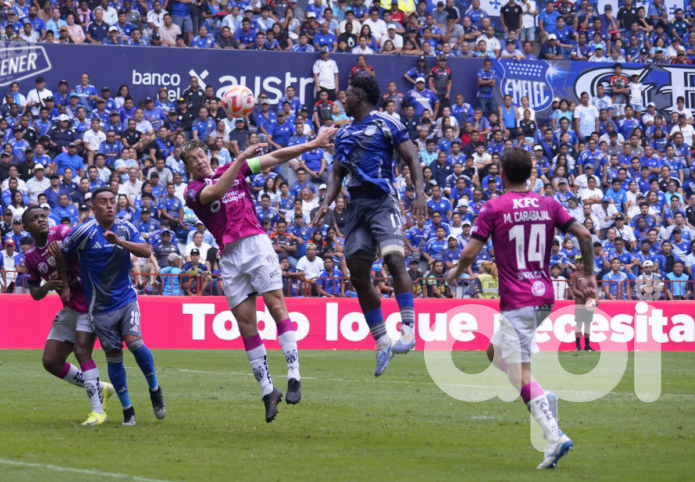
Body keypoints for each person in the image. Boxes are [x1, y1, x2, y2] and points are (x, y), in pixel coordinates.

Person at [451, 147, 597, 469]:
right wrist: (588, 272)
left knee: (520, 374)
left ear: (501, 174)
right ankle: (542, 398)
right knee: (494, 353)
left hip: (518, 301)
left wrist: (456, 273)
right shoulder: (548, 205)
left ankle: (553, 432)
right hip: (543, 296)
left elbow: (469, 253)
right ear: (531, 174)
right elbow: (584, 234)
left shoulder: (493, 207)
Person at [181, 129, 335, 422]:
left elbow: (275, 156)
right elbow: (213, 193)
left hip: (255, 242)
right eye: (192, 159)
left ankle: (293, 375)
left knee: (276, 306)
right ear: (188, 168)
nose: (199, 161)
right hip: (229, 256)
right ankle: (268, 391)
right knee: (245, 323)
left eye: (201, 155)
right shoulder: (191, 190)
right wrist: (240, 158)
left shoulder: (233, 169)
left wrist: (313, 144)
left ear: (208, 155)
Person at [314, 75, 427, 377]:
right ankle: (382, 342)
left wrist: (419, 193)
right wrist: (326, 202)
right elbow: (337, 174)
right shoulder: (343, 133)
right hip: (356, 208)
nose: (343, 98)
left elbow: (412, 157)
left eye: (348, 94)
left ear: (360, 97)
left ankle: (408, 330)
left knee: (393, 258)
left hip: (382, 201)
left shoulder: (387, 123)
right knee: (359, 276)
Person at [58, 187, 165, 426]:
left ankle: (154, 388)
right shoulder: (83, 232)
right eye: (103, 202)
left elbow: (147, 250)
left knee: (135, 342)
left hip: (126, 299)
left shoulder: (126, 227)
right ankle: (128, 410)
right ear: (93, 208)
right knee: (114, 356)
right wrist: (65, 285)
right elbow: (62, 254)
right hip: (99, 308)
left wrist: (119, 242)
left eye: (112, 202)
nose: (109, 206)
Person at [22, 205, 115, 426]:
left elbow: (83, 242)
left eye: (43, 216)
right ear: (26, 228)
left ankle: (98, 411)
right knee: (51, 361)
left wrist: (64, 246)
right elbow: (35, 293)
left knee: (82, 350)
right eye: (35, 219)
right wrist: (46, 288)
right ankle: (101, 387)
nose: (41, 220)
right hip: (70, 305)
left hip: (91, 299)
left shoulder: (61, 232)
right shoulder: (31, 257)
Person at [568, 255, 595, 351]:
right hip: (579, 302)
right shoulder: (575, 275)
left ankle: (587, 346)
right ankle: (578, 346)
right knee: (579, 323)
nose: (584, 265)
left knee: (588, 324)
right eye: (582, 263)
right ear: (580, 264)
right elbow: (573, 289)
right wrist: (582, 293)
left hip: (589, 302)